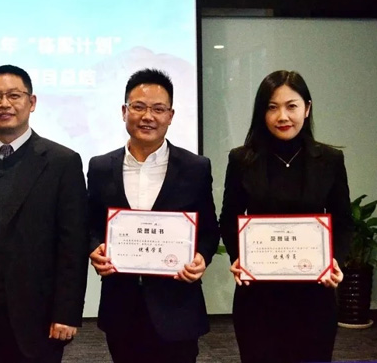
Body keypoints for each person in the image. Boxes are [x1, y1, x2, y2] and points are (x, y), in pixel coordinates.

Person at [0, 64, 89, 363]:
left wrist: (67, 312)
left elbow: (72, 245)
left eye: (14, 95)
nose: (4, 104)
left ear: (31, 102)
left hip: (39, 316)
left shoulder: (62, 162)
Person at [88, 69, 219, 363]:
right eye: (139, 107)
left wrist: (202, 257)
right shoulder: (100, 167)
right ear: (124, 111)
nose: (148, 116)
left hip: (178, 307)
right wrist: (94, 247)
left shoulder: (195, 167)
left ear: (170, 116)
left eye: (158, 109)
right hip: (121, 306)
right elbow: (91, 224)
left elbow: (209, 230)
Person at [219, 70, 351, 363]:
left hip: (314, 295)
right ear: (262, 112)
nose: (283, 116)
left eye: (291, 106)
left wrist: (335, 260)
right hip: (258, 296)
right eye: (272, 107)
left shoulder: (329, 160)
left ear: (307, 108)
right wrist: (239, 258)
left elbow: (343, 221)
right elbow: (229, 219)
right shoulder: (242, 160)